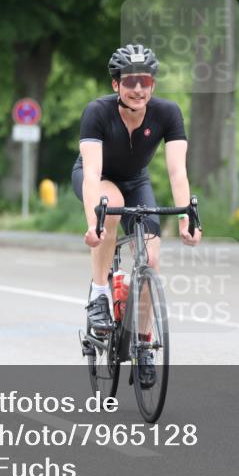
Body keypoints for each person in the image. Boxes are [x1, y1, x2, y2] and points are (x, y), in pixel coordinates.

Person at [72, 44, 202, 387]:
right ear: (116, 85)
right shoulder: (97, 112)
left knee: (152, 258)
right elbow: (91, 174)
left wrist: (188, 216)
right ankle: (100, 294)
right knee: (109, 206)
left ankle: (143, 345)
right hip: (97, 178)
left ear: (153, 84)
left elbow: (177, 172)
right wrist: (93, 223)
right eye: (130, 82)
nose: (139, 88)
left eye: (145, 80)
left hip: (137, 182)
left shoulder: (168, 113)